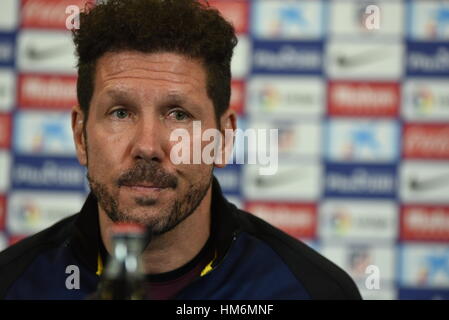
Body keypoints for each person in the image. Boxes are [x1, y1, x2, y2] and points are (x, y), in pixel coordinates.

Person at [0, 0, 361, 300]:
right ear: (81, 136)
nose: (147, 146)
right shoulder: (13, 284)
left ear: (223, 139)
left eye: (179, 114)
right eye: (121, 112)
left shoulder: (312, 291)